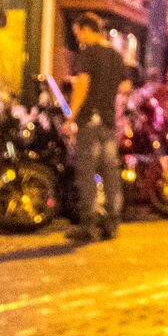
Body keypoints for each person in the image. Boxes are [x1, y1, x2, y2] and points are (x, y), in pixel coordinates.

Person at [66, 14, 131, 241]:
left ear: (87, 29)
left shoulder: (88, 53)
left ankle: (90, 225)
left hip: (90, 121)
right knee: (110, 173)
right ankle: (112, 224)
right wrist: (107, 90)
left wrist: (71, 116)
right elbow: (125, 85)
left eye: (78, 33)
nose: (78, 39)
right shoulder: (115, 55)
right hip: (108, 121)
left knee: (87, 173)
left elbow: (83, 84)